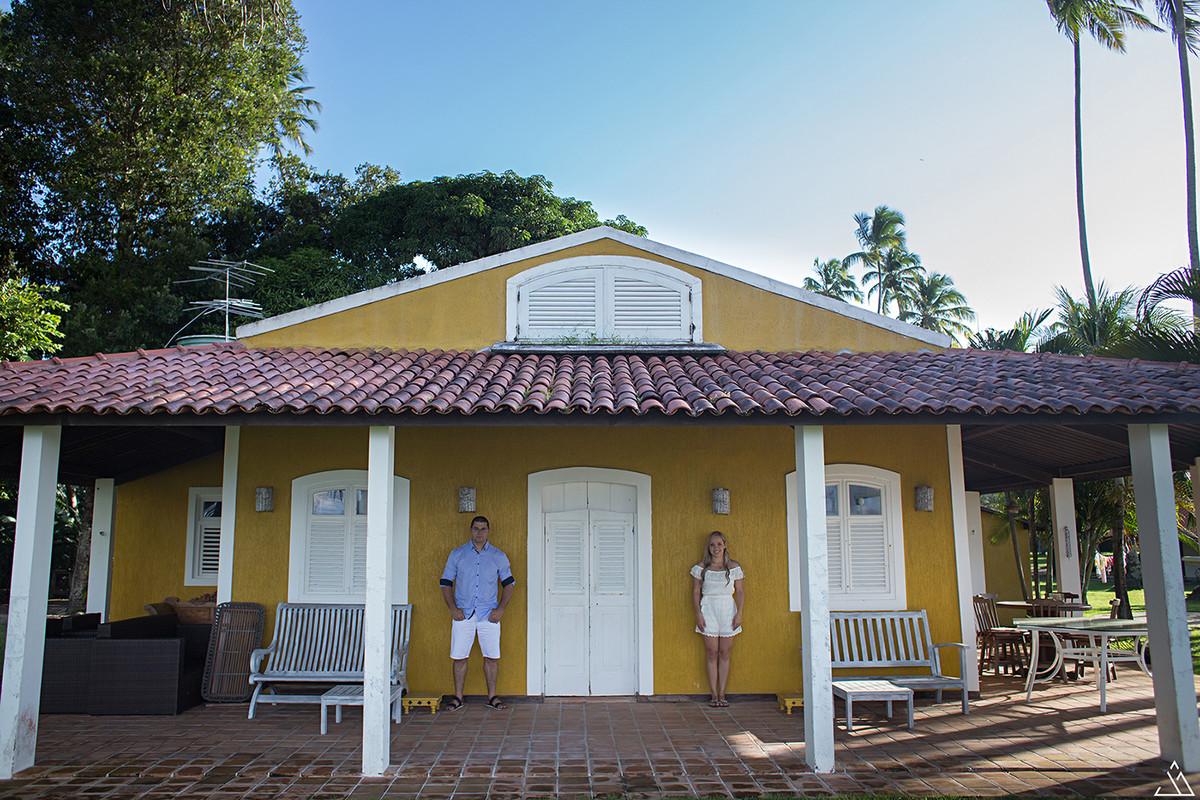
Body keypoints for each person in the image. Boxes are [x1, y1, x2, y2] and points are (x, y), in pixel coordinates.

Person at [440, 515, 515, 710]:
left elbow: (509, 584)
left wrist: (500, 610)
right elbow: (446, 582)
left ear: (488, 531)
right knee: (459, 656)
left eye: (483, 529)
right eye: (476, 528)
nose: (479, 533)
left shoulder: (499, 556)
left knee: (491, 656)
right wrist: (453, 609)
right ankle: (458, 697)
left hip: (489, 615)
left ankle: (492, 697)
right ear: (470, 530)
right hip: (463, 614)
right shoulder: (457, 554)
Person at [691, 530, 744, 707]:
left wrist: (739, 614)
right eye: (712, 545)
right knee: (712, 652)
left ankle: (723, 693)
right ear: (708, 547)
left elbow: (741, 592)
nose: (716, 548)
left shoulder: (734, 567)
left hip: (728, 610)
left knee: (725, 653)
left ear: (725, 545)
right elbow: (696, 592)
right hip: (708, 610)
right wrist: (698, 614)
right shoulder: (701, 568)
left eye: (719, 544)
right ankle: (714, 694)